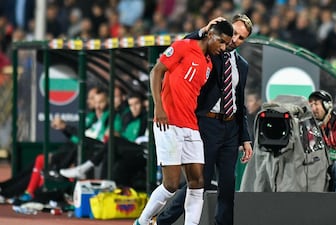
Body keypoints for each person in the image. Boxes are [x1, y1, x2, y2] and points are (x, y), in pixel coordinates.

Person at [133, 20, 233, 225]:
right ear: (210, 34)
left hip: (191, 126)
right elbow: (156, 71)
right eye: (221, 42)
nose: (223, 48)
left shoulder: (208, 64)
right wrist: (158, 107)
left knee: (198, 183)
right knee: (170, 185)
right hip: (168, 122)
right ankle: (142, 222)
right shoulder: (183, 47)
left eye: (226, 45)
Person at [156, 14, 253, 225]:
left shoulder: (242, 66)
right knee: (199, 182)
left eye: (241, 37)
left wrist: (245, 138)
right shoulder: (212, 51)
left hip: (231, 129)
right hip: (207, 124)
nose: (235, 40)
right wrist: (202, 30)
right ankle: (162, 221)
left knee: (227, 187)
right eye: (234, 33)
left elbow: (240, 102)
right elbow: (185, 44)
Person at [59, 92, 148, 188]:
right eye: (131, 105)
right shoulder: (128, 118)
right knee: (102, 147)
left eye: (137, 104)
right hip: (124, 147)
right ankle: (101, 187)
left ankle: (84, 169)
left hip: (142, 150)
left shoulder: (146, 118)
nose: (134, 108)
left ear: (143, 104)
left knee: (112, 142)